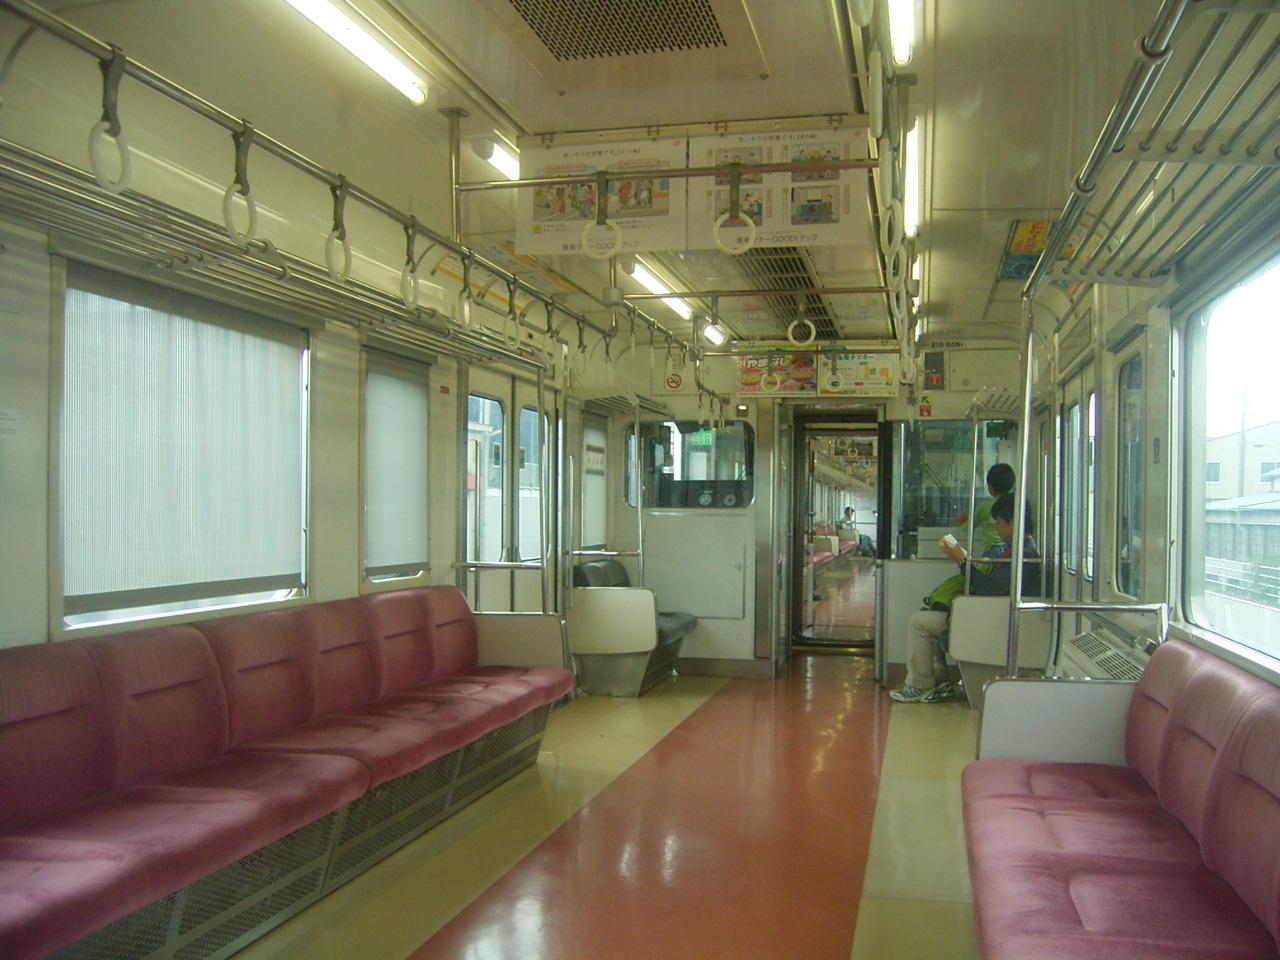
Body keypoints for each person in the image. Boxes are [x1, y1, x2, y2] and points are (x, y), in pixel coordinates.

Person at [890, 493, 1041, 704]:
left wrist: (963, 561)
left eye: (999, 522)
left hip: (995, 621)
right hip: (992, 615)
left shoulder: (1024, 556)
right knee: (931, 615)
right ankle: (939, 681)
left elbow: (990, 589)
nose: (997, 528)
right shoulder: (1019, 551)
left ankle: (919, 684)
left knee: (919, 622)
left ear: (1013, 522)